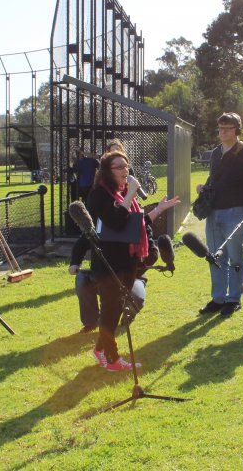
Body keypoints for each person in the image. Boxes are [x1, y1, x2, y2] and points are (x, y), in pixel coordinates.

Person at [85, 151, 179, 371]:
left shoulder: (124, 193)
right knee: (110, 310)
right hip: (109, 262)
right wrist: (130, 195)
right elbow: (116, 222)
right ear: (107, 171)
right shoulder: (100, 195)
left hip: (128, 261)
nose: (125, 171)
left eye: (126, 166)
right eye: (119, 167)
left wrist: (158, 209)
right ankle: (112, 359)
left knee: (116, 308)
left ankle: (100, 350)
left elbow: (135, 224)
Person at [196, 112, 243, 316]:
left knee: (235, 256)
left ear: (237, 130)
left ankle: (233, 298)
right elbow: (214, 179)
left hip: (237, 211)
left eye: (227, 128)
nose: (223, 132)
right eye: (220, 128)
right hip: (214, 212)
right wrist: (205, 187)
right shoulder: (217, 152)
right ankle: (218, 299)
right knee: (215, 256)